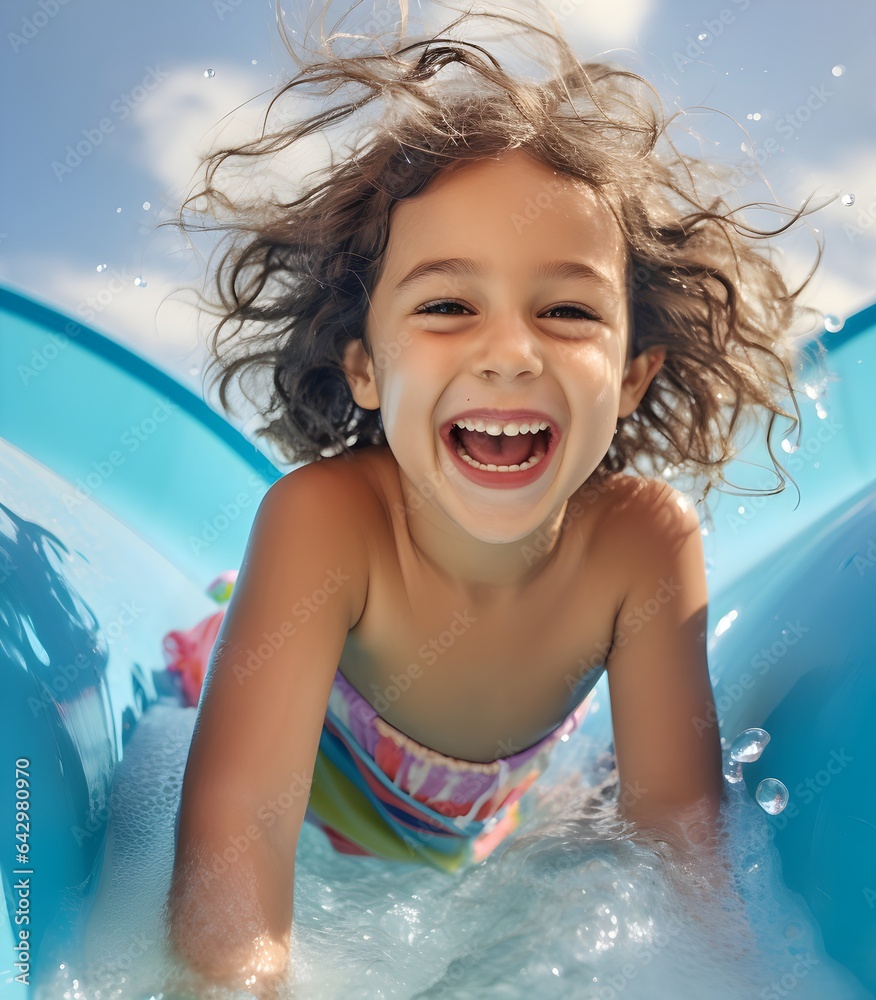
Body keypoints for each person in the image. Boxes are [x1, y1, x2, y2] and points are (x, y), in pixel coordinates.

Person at [163, 0, 810, 993]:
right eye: (447, 305)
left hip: (457, 830)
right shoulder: (330, 523)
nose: (509, 351)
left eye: (564, 310)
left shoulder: (640, 545)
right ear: (366, 367)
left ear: (632, 375)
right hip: (269, 743)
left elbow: (679, 838)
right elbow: (239, 830)